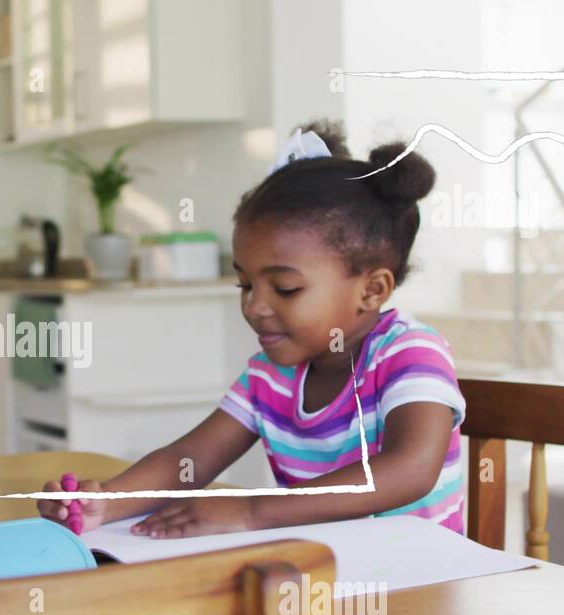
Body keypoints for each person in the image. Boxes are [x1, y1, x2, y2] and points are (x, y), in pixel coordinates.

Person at [38, 119, 468, 538]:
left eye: (285, 288)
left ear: (372, 289)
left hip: (424, 583)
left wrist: (252, 511)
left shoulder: (410, 354)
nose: (255, 305)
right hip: (322, 576)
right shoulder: (270, 374)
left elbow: (410, 469)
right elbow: (190, 458)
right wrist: (108, 501)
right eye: (244, 283)